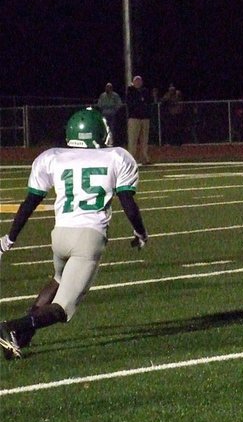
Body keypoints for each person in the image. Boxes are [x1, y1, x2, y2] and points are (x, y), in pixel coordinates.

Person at [0, 108, 147, 360]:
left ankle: (21, 338)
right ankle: (13, 327)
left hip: (60, 235)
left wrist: (9, 238)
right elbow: (127, 200)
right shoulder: (116, 157)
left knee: (58, 279)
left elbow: (30, 203)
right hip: (88, 239)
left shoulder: (53, 157)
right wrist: (140, 232)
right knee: (64, 308)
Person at [126, 75, 152, 165]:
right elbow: (131, 103)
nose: (138, 83)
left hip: (144, 117)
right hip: (134, 118)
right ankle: (131, 159)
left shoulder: (145, 91)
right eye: (136, 81)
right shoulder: (130, 91)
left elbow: (149, 101)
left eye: (139, 81)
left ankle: (144, 158)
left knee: (144, 140)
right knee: (133, 140)